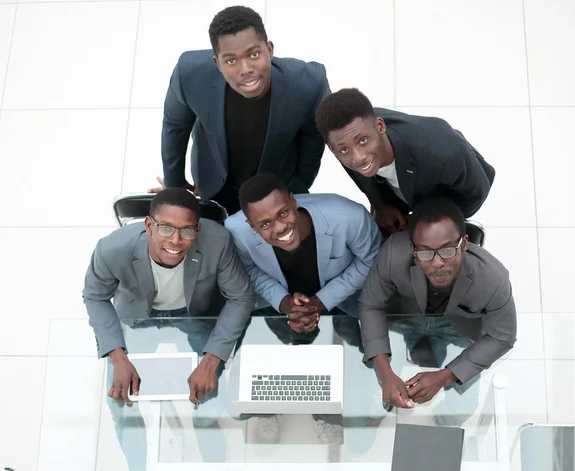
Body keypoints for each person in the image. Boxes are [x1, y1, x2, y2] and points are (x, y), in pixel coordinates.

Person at [82, 188, 254, 470]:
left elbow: (241, 297)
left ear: (198, 228)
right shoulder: (111, 248)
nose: (176, 241)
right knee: (119, 398)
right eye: (166, 229)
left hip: (193, 314)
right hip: (138, 317)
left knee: (210, 384)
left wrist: (211, 361)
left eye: (187, 231)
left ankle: (206, 425)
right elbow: (94, 296)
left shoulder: (218, 240)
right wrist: (118, 356)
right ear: (149, 225)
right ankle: (138, 465)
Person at [225, 172, 382, 444]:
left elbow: (371, 260)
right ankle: (269, 406)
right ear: (251, 227)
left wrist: (321, 301)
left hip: (340, 299)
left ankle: (333, 415)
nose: (280, 228)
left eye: (284, 213)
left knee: (358, 361)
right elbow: (247, 270)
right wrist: (284, 303)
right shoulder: (235, 230)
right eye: (265, 224)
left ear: (294, 202)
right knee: (269, 357)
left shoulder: (349, 216)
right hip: (279, 301)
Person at [156, 5, 330, 215]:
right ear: (217, 63)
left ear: (270, 49)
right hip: (212, 185)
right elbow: (175, 126)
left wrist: (298, 186)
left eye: (254, 54)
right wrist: (175, 190)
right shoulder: (189, 72)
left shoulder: (309, 82)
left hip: (274, 189)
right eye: (231, 60)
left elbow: (314, 138)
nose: (245, 69)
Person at [358, 196, 516, 422]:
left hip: (458, 328)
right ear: (412, 249)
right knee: (369, 390)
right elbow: (370, 304)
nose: (437, 263)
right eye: (425, 252)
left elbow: (503, 337)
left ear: (463, 243)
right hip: (404, 319)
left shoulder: (493, 278)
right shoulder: (394, 252)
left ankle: (443, 427)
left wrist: (445, 376)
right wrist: (385, 375)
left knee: (462, 407)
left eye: (447, 250)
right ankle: (376, 415)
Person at [315, 88, 495, 236]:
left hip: (440, 188)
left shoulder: (444, 155)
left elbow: (477, 192)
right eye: (344, 150)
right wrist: (381, 205)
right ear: (333, 149)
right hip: (395, 188)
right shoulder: (344, 141)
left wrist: (428, 219)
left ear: (380, 126)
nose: (358, 158)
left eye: (363, 140)